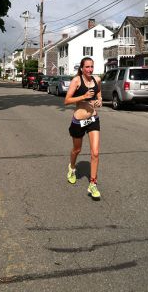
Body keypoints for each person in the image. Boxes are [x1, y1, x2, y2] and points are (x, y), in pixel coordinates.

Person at [64, 57, 102, 199]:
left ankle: (93, 184)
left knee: (95, 153)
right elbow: (66, 100)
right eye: (87, 67)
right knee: (77, 150)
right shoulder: (77, 81)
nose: (90, 69)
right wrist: (83, 96)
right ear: (81, 68)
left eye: (91, 66)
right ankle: (72, 168)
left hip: (93, 119)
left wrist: (99, 101)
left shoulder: (96, 80)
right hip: (79, 121)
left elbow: (100, 96)